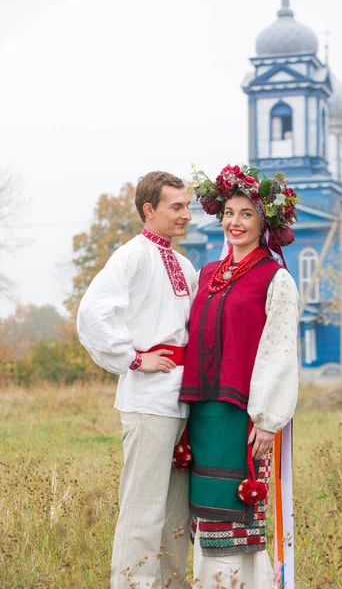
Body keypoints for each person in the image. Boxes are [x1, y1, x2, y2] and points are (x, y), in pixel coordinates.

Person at [180, 164, 300, 588]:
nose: (235, 222)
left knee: (238, 513)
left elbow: (279, 352)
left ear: (264, 222)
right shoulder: (207, 275)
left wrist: (269, 421)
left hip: (244, 415)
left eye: (246, 214)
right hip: (203, 412)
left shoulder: (275, 278)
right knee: (205, 512)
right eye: (229, 213)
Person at [77, 171, 197, 589]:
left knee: (178, 513)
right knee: (143, 508)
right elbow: (93, 313)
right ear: (149, 210)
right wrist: (132, 358)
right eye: (176, 206)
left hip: (184, 398)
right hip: (148, 399)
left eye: (187, 205)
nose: (187, 214)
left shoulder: (183, 264)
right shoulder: (130, 257)